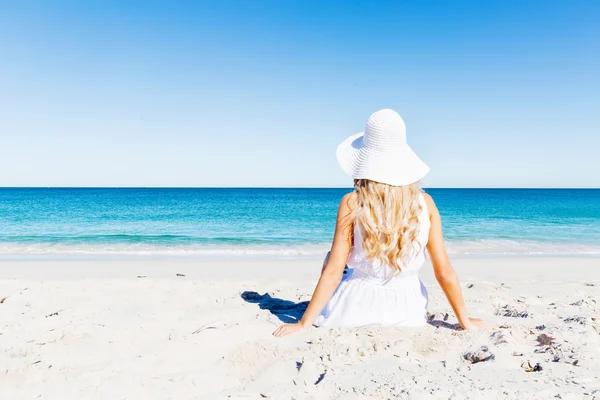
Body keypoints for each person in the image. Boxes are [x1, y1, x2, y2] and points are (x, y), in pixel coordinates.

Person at [273, 109, 486, 337]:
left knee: (330, 258)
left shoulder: (352, 202)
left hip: (354, 310)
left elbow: (334, 271)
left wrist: (304, 323)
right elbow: (443, 272)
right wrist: (465, 321)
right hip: (408, 310)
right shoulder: (426, 204)